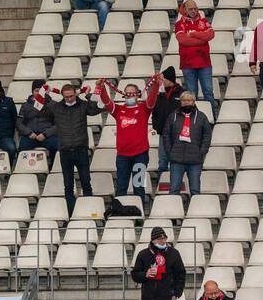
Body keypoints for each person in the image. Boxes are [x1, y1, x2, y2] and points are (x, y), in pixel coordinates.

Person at [97, 75, 160, 205]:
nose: (131, 96)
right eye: (128, 93)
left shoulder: (144, 108)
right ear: (124, 95)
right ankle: (121, 213)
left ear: (138, 95)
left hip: (141, 155)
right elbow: (107, 102)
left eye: (133, 93)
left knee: (138, 186)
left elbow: (152, 99)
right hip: (122, 156)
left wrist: (156, 84)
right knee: (121, 187)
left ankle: (140, 213)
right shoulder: (119, 110)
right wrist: (101, 87)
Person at [52, 83, 103, 215]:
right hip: (65, 151)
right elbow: (39, 107)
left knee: (86, 182)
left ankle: (89, 212)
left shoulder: (83, 105)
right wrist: (45, 90)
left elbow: (97, 108)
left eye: (71, 96)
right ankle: (72, 213)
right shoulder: (56, 107)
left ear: (76, 94)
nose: (69, 99)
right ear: (62, 96)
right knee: (68, 186)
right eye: (66, 97)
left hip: (81, 149)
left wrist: (88, 94)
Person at [131, 227, 185, 300]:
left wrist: (177, 293)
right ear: (152, 240)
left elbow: (180, 274)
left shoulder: (174, 253)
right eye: (159, 239)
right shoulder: (143, 254)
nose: (162, 241)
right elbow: (135, 274)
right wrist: (145, 274)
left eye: (164, 238)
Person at [163, 91, 211, 196]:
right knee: (174, 190)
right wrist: (170, 152)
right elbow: (166, 134)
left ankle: (196, 211)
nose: (186, 102)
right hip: (176, 159)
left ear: (193, 102)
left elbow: (207, 135)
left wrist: (201, 152)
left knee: (195, 190)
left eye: (189, 100)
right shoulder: (173, 116)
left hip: (195, 160)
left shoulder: (201, 117)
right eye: (183, 100)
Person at [175, 0, 216, 108]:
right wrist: (201, 38)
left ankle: (212, 117)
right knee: (192, 95)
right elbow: (183, 40)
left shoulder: (203, 21)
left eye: (195, 8)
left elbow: (211, 35)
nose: (193, 11)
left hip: (204, 63)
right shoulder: (179, 24)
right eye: (190, 9)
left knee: (208, 92)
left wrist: (193, 34)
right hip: (187, 64)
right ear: (185, 10)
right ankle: (193, 119)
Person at [152, 67, 182, 194]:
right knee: (163, 161)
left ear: (170, 80)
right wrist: (156, 126)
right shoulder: (159, 94)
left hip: (177, 135)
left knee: (176, 161)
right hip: (163, 134)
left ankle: (177, 188)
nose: (161, 81)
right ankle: (162, 188)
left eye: (163, 79)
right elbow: (155, 111)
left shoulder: (181, 93)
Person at [17, 80, 60, 158]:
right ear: (32, 92)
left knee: (56, 146)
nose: (39, 93)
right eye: (36, 91)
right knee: (23, 148)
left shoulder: (53, 105)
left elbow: (58, 124)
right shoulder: (25, 105)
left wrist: (45, 134)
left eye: (42, 90)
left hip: (48, 136)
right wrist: (29, 133)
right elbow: (19, 123)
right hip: (30, 135)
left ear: (46, 91)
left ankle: (52, 166)